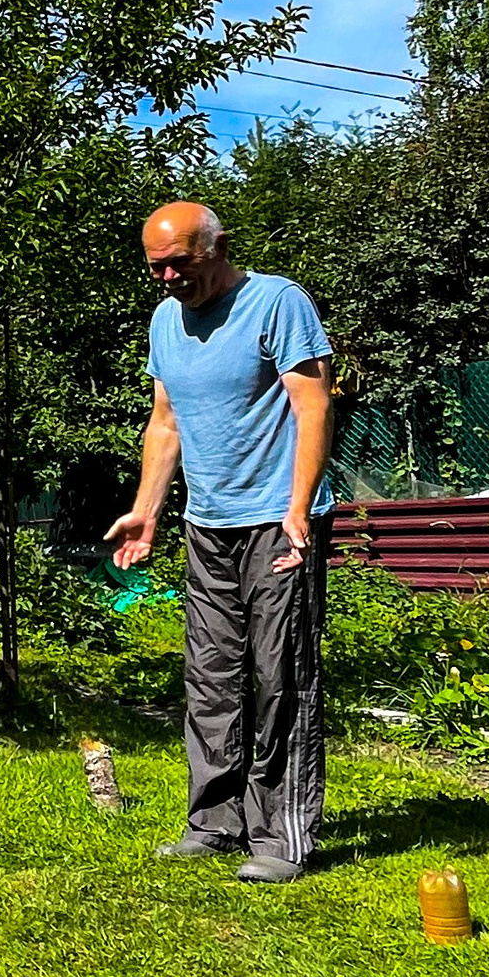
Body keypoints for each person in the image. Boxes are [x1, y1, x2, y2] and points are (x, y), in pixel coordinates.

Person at [106, 203, 335, 883]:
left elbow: (314, 403)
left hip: (278, 520)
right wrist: (147, 511)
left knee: (281, 675)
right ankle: (214, 821)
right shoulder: (164, 321)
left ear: (219, 246)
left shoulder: (276, 302)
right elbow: (165, 422)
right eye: (158, 267)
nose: (170, 276)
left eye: (182, 261)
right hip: (207, 522)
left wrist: (299, 507)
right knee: (210, 677)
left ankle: (282, 837)